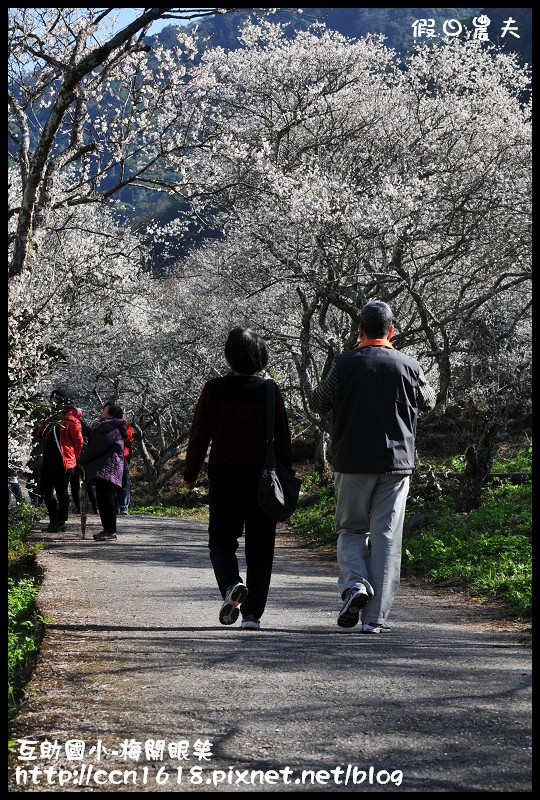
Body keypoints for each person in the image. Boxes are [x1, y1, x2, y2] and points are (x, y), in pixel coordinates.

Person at [309, 300, 437, 634]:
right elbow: (430, 401)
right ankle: (375, 620)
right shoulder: (409, 365)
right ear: (392, 330)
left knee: (352, 529)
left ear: (359, 330)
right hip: (396, 464)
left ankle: (356, 586)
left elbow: (319, 401)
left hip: (352, 461)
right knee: (387, 537)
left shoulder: (345, 363)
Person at [181, 326, 293, 631]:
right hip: (263, 478)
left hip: (224, 473)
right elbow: (283, 439)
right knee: (261, 545)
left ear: (229, 358)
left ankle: (231, 584)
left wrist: (190, 473)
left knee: (221, 540)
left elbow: (199, 434)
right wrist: (288, 475)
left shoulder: (214, 389)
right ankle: (253, 615)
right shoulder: (270, 390)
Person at [77, 402, 129, 542]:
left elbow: (95, 447)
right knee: (105, 499)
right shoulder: (109, 427)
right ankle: (108, 530)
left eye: (104, 409)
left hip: (107, 468)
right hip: (107, 468)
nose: (102, 411)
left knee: (106, 500)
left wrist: (82, 460)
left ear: (110, 413)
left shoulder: (108, 428)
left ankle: (110, 531)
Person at [35, 389, 84, 533]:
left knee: (61, 492)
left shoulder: (71, 420)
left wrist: (74, 459)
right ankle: (53, 520)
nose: (55, 402)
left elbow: (78, 442)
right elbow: (39, 436)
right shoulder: (50, 420)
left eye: (58, 399)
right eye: (53, 399)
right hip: (48, 462)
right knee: (46, 491)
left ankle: (61, 521)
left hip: (64, 462)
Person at [116, 419, 133, 515]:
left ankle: (123, 507)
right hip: (112, 457)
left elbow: (129, 438)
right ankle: (116, 507)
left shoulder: (124, 424)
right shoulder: (103, 423)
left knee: (124, 481)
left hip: (123, 456)